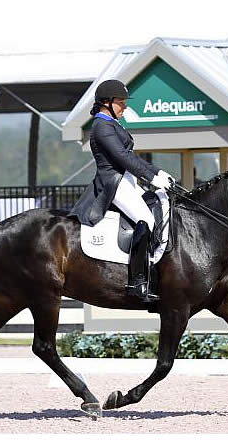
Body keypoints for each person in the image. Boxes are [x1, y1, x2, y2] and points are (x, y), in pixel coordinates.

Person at [68, 79, 175, 302]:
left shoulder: (112, 123)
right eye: (120, 102)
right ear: (105, 103)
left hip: (127, 180)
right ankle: (138, 282)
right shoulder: (101, 126)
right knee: (146, 220)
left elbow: (131, 158)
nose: (124, 107)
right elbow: (122, 157)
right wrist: (152, 177)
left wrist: (158, 172)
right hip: (114, 184)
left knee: (161, 210)